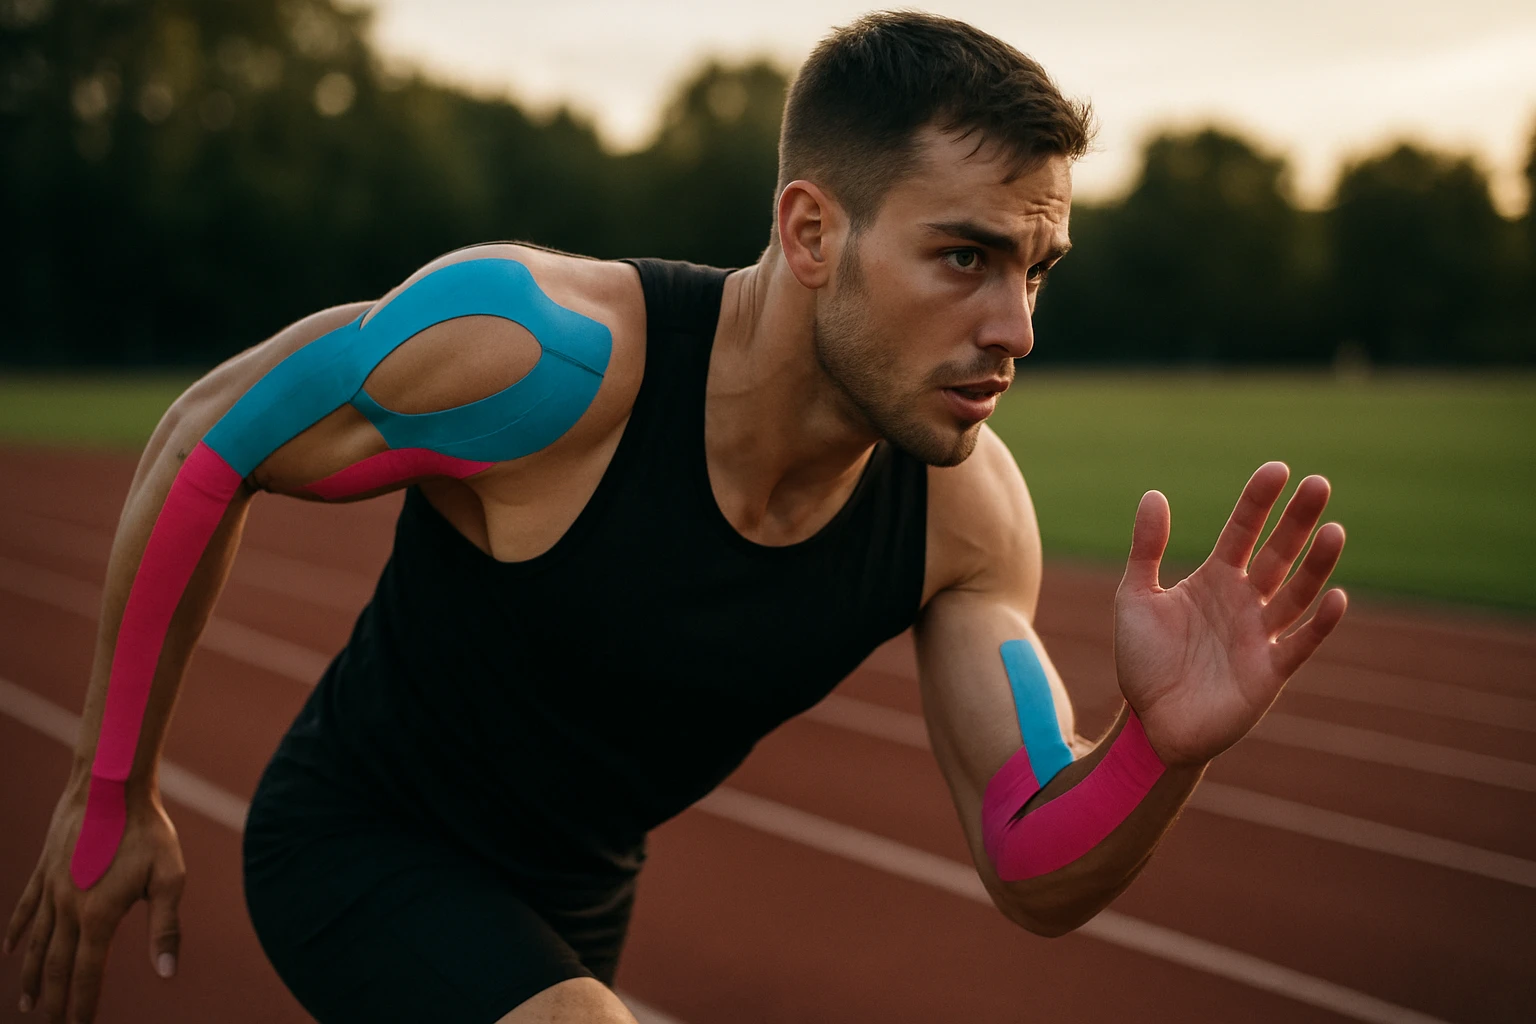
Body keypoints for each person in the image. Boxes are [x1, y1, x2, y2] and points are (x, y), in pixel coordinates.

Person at [4, 11, 1348, 1024]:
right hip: (358, 839)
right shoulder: (540, 357)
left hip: (580, 906)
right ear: (811, 234)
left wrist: (1158, 755)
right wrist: (109, 786)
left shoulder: (964, 519)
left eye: (1038, 269)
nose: (1017, 327)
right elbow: (209, 439)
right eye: (965, 258)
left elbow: (1029, 866)